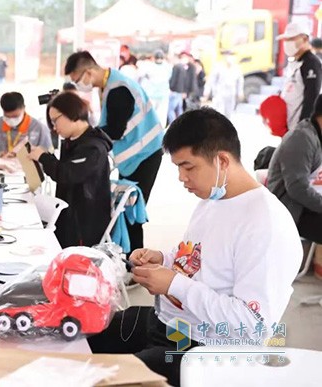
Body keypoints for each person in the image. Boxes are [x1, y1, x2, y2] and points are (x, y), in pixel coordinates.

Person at [89, 108, 302, 386]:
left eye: (188, 167)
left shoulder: (265, 224)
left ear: (222, 160)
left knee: (103, 375)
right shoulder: (213, 198)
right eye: (178, 167)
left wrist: (174, 284)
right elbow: (196, 258)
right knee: (86, 330)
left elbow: (252, 327)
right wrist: (163, 259)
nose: (181, 177)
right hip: (169, 322)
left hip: (202, 349)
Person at [65, 50, 163, 254]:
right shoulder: (108, 86)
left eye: (78, 80)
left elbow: (116, 130)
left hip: (146, 154)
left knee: (132, 210)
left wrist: (85, 134)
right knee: (125, 208)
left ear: (89, 72)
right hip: (133, 157)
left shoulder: (119, 89)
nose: (79, 86)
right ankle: (129, 259)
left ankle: (135, 263)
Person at [29, 92, 112, 248]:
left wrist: (44, 157)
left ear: (72, 114)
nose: (54, 127)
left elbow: (67, 174)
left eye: (55, 121)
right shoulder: (73, 141)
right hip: (69, 216)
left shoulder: (93, 147)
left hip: (84, 223)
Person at [268, 95, 322, 246]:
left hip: (306, 206)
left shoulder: (315, 136)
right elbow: (297, 188)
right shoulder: (302, 138)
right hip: (291, 212)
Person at [278, 22, 322, 131]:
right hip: (289, 127)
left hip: (299, 130)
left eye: (291, 39)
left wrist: (303, 127)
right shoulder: (296, 63)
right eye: (286, 40)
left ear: (305, 39)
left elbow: (312, 98)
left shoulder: (311, 63)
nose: (287, 43)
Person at [0, 92, 52, 158]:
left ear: (24, 108)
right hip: (1, 166)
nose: (11, 119)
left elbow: (49, 154)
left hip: (28, 166)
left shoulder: (39, 128)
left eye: (15, 116)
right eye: (7, 117)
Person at [203, 51, 243, 120]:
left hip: (231, 94)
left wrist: (240, 92)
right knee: (219, 112)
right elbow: (211, 80)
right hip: (219, 94)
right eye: (228, 55)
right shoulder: (218, 67)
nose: (230, 58)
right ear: (224, 57)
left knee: (229, 113)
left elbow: (240, 81)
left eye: (232, 55)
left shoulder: (236, 68)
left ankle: (227, 128)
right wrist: (207, 91)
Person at [137, 50, 171, 126]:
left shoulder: (148, 66)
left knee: (150, 114)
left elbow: (139, 77)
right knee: (161, 116)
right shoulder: (168, 67)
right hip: (163, 94)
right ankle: (160, 131)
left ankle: (150, 128)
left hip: (151, 94)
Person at [168, 52, 197, 124]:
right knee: (179, 109)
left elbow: (173, 80)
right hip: (180, 92)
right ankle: (180, 123)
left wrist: (171, 88)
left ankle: (173, 123)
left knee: (170, 109)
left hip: (175, 91)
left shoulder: (176, 67)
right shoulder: (183, 68)